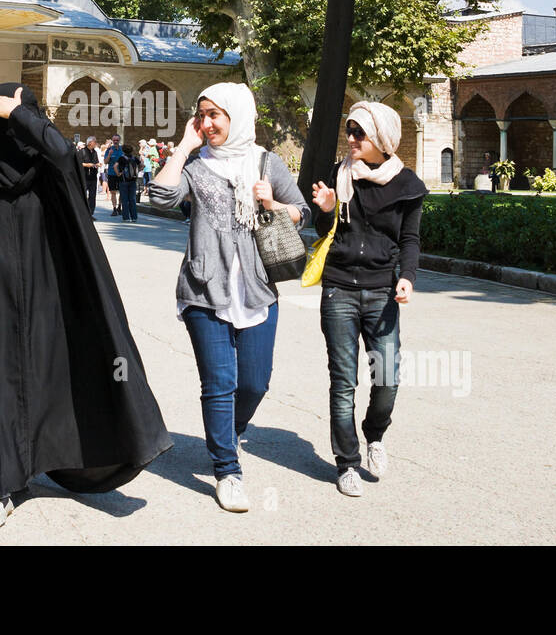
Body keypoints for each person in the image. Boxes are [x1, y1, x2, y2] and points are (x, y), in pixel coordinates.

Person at [0, 84, 172, 531]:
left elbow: (62, 151)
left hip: (43, 305)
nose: (14, 125)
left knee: (41, 387)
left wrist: (18, 113)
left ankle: (27, 467)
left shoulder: (50, 175)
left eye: (23, 115)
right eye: (6, 116)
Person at [149, 82, 308, 513]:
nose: (207, 122)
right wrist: (183, 146)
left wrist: (273, 203)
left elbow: (301, 211)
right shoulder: (197, 166)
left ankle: (228, 432)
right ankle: (227, 470)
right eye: (202, 114)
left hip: (257, 289)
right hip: (204, 289)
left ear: (237, 116)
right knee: (219, 383)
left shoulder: (265, 162)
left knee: (255, 382)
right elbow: (161, 197)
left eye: (215, 114)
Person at [310, 101, 428, 498]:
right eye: (350, 130)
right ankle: (347, 463)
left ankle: (374, 434)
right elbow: (324, 229)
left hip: (382, 291)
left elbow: (410, 239)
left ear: (381, 138)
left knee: (388, 377)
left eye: (360, 132)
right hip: (339, 288)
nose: (351, 139)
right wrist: (326, 210)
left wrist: (407, 278)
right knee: (343, 382)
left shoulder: (407, 184)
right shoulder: (339, 176)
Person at [117, 144, 141, 222]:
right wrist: (136, 172)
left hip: (123, 181)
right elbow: (142, 165)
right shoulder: (135, 158)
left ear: (123, 150)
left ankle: (126, 218)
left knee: (124, 200)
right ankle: (134, 217)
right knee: (132, 199)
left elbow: (115, 166)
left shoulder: (121, 158)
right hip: (133, 180)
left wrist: (118, 173)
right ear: (132, 150)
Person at [78, 135, 100, 214]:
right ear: (90, 143)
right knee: (83, 195)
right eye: (95, 141)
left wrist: (97, 164)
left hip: (93, 177)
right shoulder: (82, 151)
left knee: (92, 196)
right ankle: (83, 212)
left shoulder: (95, 152)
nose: (96, 143)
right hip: (84, 176)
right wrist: (87, 165)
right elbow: (78, 163)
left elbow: (96, 161)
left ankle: (91, 213)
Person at [104, 134, 124, 216]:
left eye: (117, 140)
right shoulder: (109, 150)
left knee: (122, 191)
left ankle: (120, 206)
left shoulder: (122, 149)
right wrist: (109, 154)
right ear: (112, 141)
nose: (115, 142)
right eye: (114, 140)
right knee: (113, 192)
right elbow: (105, 162)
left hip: (121, 173)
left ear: (119, 140)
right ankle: (114, 208)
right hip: (112, 173)